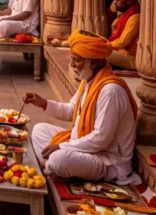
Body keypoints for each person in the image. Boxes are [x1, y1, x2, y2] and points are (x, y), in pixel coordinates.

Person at [23, 31, 139, 184]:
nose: (71, 65)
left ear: (93, 62)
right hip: (81, 144)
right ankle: (51, 167)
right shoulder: (89, 80)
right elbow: (72, 110)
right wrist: (43, 103)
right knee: (39, 130)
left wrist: (62, 146)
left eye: (76, 60)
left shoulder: (110, 91)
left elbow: (100, 139)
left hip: (107, 161)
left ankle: (52, 166)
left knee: (59, 159)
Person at [108, 0, 140, 70]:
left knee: (96, 52)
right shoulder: (125, 16)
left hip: (131, 58)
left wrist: (104, 45)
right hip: (121, 52)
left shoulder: (135, 18)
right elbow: (115, 34)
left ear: (128, 1)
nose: (115, 2)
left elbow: (123, 41)